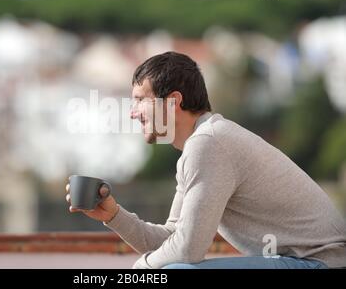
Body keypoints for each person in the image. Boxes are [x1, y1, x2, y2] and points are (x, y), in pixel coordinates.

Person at [65, 51, 346, 269]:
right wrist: (113, 215)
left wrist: (142, 268)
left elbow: (187, 250)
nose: (132, 113)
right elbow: (171, 240)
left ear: (173, 102)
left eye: (140, 100)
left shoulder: (208, 143)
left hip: (317, 262)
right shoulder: (200, 144)